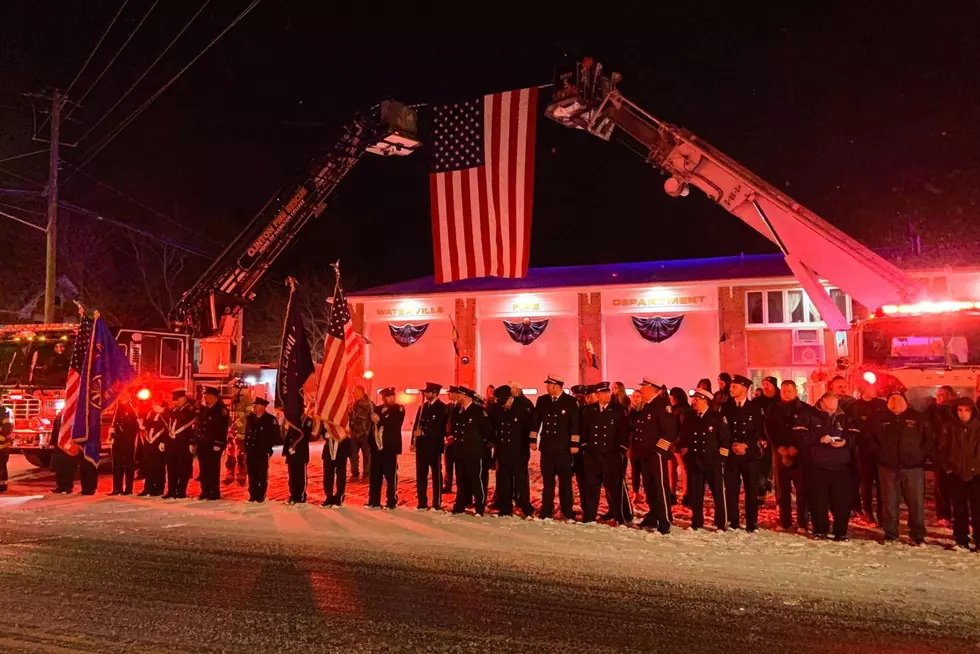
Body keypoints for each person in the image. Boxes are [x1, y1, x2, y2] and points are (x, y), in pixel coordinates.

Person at [871, 391, 933, 545]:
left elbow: (930, 438)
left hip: (913, 468)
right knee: (889, 502)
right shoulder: (879, 418)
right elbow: (869, 438)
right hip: (887, 467)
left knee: (916, 502)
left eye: (898, 399)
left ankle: (917, 533)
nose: (895, 403)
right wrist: (880, 454)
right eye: (891, 399)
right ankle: (891, 532)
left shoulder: (917, 417)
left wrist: (921, 454)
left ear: (905, 401)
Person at [806, 392, 859, 541]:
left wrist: (845, 442)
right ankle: (820, 530)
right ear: (821, 403)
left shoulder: (845, 417)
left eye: (833, 409)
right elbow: (801, 435)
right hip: (818, 465)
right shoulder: (810, 415)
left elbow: (855, 434)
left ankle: (840, 532)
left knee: (841, 501)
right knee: (818, 500)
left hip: (841, 465)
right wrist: (818, 439)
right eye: (828, 409)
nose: (830, 412)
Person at [677, 388, 730, 531]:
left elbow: (725, 439)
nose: (693, 402)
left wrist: (721, 459)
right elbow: (684, 436)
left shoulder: (717, 417)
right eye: (694, 399)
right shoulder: (690, 416)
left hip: (713, 461)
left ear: (705, 401)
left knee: (718, 493)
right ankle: (697, 522)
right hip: (695, 460)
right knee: (696, 494)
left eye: (697, 399)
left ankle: (721, 523)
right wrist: (686, 454)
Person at [530, 374, 581, 521]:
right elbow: (536, 421)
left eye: (549, 384)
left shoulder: (570, 402)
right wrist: (533, 439)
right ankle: (547, 509)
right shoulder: (543, 400)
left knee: (565, 482)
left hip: (563, 449)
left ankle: (567, 509)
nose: (546, 387)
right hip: (547, 447)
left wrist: (574, 444)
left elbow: (574, 424)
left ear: (557, 386)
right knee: (548, 482)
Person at [580, 381, 631, 524]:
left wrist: (621, 449)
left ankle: (618, 516)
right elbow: (584, 430)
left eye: (608, 393)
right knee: (592, 487)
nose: (607, 395)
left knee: (614, 488)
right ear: (597, 395)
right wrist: (585, 446)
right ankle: (589, 516)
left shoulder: (618, 410)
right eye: (603, 393)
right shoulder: (589, 410)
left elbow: (624, 431)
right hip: (593, 455)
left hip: (611, 455)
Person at [631, 378, 677, 532]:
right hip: (645, 453)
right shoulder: (647, 406)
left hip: (655, 453)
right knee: (650, 487)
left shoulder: (662, 406)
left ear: (651, 388)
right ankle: (653, 515)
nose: (641, 390)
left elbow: (669, 430)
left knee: (660, 486)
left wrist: (659, 450)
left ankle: (665, 520)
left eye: (643, 387)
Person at [722, 375, 766, 532]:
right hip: (732, 455)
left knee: (751, 490)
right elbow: (724, 430)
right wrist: (731, 445)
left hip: (749, 454)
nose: (730, 389)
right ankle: (733, 521)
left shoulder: (754, 408)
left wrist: (746, 445)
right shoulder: (726, 407)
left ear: (743, 388)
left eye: (734, 386)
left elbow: (758, 430)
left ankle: (751, 522)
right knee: (732, 488)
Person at [769, 380, 813, 531]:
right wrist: (779, 447)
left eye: (789, 391)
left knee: (802, 490)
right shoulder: (774, 409)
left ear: (796, 391)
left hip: (800, 455)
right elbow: (769, 429)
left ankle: (803, 521)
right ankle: (785, 520)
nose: (786, 394)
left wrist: (797, 447)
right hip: (781, 454)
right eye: (784, 391)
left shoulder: (806, 410)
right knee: (782, 490)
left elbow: (809, 431)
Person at [938, 398, 980, 550]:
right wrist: (948, 468)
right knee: (959, 509)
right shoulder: (948, 427)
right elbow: (942, 449)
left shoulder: (978, 427)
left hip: (977, 475)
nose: (963, 414)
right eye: (960, 410)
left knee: (978, 509)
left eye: (967, 410)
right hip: (956, 474)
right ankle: (961, 539)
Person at [448, 386, 493, 515]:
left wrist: (481, 445)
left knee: (475, 479)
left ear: (465, 396)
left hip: (474, 452)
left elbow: (487, 431)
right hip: (459, 451)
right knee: (461, 480)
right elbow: (454, 429)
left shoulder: (478, 411)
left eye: (459, 395)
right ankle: (460, 505)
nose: (457, 397)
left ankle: (479, 506)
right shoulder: (458, 411)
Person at [847, 382, 886, 524]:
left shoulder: (881, 405)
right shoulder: (854, 407)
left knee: (882, 483)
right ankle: (867, 511)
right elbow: (851, 427)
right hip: (863, 450)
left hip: (881, 450)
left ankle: (883, 514)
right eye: (871, 388)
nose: (874, 390)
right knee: (866, 483)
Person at [412, 382, 448, 510]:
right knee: (421, 475)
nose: (426, 394)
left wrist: (425, 432)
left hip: (434, 447)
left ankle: (436, 502)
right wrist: (413, 441)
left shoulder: (442, 408)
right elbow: (416, 425)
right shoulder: (422, 407)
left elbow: (440, 428)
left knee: (436, 475)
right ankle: (422, 502)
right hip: (422, 446)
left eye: (428, 392)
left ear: (435, 393)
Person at [368, 387, 404, 509]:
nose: (391, 399)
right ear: (383, 398)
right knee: (375, 476)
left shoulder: (398, 409)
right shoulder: (376, 409)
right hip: (376, 448)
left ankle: (391, 501)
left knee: (391, 476)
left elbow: (395, 423)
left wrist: (380, 420)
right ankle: (374, 500)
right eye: (388, 397)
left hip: (390, 448)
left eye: (392, 396)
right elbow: (371, 428)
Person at [927, 385, 958, 523]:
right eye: (938, 394)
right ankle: (943, 515)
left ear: (950, 395)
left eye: (942, 394)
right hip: (940, 452)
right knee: (941, 485)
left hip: (955, 452)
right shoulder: (934, 411)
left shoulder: (956, 410)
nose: (938, 397)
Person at [196, 386, 230, 501]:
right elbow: (200, 427)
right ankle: (205, 491)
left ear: (213, 396)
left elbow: (222, 428)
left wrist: (219, 443)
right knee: (204, 468)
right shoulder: (206, 409)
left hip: (213, 445)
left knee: (213, 468)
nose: (205, 397)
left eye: (207, 395)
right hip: (203, 444)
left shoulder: (221, 410)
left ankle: (214, 492)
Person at [163, 389, 196, 499]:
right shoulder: (177, 409)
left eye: (177, 400)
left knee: (183, 468)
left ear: (184, 398)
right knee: (172, 467)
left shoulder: (189, 409)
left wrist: (164, 411)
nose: (175, 402)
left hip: (184, 443)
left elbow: (183, 419)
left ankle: (181, 491)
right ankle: (171, 490)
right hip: (173, 442)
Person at [244, 397, 278, 503]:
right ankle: (253, 494)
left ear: (263, 407)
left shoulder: (270, 419)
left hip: (262, 451)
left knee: (261, 474)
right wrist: (246, 447)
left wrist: (268, 448)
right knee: (252, 473)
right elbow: (247, 434)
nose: (254, 407)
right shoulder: (251, 418)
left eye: (256, 405)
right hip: (251, 451)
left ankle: (260, 495)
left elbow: (272, 436)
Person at [108, 392, 140, 496]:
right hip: (117, 441)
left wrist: (120, 430)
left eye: (122, 395)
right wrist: (113, 432)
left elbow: (134, 427)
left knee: (128, 466)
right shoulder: (117, 409)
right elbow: (115, 422)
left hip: (127, 441)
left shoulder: (131, 409)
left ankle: (129, 489)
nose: (120, 397)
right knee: (117, 466)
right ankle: (117, 488)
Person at [756, 376, 780, 502]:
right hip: (763, 440)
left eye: (768, 384)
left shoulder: (781, 400)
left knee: (777, 468)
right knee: (762, 467)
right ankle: (761, 491)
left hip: (778, 439)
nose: (765, 387)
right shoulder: (758, 402)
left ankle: (778, 494)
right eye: (763, 384)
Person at [224, 382, 252, 486]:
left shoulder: (248, 401)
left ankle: (242, 476)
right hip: (232, 432)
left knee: (241, 455)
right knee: (230, 455)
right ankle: (230, 474)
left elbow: (249, 417)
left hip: (242, 432)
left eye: (235, 388)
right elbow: (232, 416)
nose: (233, 390)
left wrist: (240, 425)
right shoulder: (234, 400)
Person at [139, 401, 168, 496]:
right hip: (148, 442)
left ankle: (159, 488)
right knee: (148, 466)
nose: (153, 405)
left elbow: (160, 425)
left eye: (156, 403)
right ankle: (148, 488)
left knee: (158, 467)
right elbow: (147, 425)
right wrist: (142, 424)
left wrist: (145, 423)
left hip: (158, 442)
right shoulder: (150, 412)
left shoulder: (164, 414)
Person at [319, 414, 349, 507]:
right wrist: (325, 434)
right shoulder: (326, 414)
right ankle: (329, 497)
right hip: (329, 448)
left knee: (341, 475)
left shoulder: (343, 412)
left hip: (342, 447)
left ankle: (339, 497)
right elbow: (321, 430)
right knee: (328, 474)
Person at [283, 405, 310, 505]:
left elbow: (306, 435)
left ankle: (300, 497)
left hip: (301, 453)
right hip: (291, 453)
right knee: (292, 477)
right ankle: (293, 495)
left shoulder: (307, 420)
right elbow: (287, 436)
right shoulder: (291, 421)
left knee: (300, 477)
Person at [348, 385, 373, 480]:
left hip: (365, 434)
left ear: (361, 392)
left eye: (355, 392)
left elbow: (373, 418)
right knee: (353, 455)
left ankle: (367, 474)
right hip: (353, 434)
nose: (353, 394)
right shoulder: (352, 404)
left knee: (367, 455)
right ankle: (355, 473)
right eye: (353, 392)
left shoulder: (369, 404)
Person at [443, 386, 461, 493]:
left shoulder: (461, 407)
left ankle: (460, 486)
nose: (448, 395)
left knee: (459, 466)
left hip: (457, 440)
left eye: (450, 393)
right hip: (448, 440)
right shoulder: (448, 406)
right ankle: (447, 484)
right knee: (448, 464)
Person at [0, 405, 12, 493]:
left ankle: (2, 486)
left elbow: (7, 428)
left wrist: (1, 439)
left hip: (1, 446)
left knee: (1, 466)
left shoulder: (3, 413)